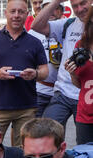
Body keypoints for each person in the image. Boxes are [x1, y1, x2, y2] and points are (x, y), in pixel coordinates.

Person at [0, 0, 48, 147]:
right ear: (5, 13)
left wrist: (35, 74)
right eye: (12, 11)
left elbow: (45, 71)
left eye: (20, 12)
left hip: (27, 107)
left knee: (24, 150)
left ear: (27, 14)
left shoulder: (35, 42)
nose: (16, 15)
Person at [31, 0, 92, 128]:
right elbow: (36, 26)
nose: (79, 9)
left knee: (85, 141)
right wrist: (57, 1)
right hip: (62, 92)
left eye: (83, 3)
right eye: (75, 6)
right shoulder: (67, 24)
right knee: (47, 131)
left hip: (85, 92)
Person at [64, 5, 93, 145]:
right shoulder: (81, 45)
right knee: (85, 157)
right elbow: (79, 84)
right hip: (85, 115)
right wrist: (72, 73)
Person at [29, 0, 62, 117]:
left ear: (61, 11)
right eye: (47, 8)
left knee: (55, 131)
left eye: (56, 8)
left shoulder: (67, 29)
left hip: (62, 93)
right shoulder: (33, 33)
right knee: (33, 128)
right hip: (40, 90)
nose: (52, 11)